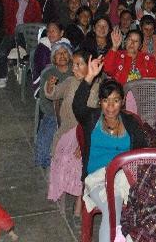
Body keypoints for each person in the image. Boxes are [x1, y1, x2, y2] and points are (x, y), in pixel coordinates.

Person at [73, 56, 151, 242]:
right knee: (112, 208)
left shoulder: (131, 123)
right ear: (100, 102)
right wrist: (89, 77)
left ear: (123, 102)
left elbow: (142, 153)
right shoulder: (92, 119)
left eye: (116, 101)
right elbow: (77, 106)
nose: (110, 106)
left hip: (124, 177)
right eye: (106, 101)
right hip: (97, 178)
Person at [45, 49, 100, 225]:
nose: (74, 68)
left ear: (90, 66)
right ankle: (71, 194)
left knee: (80, 161)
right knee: (66, 157)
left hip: (86, 134)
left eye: (79, 64)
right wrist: (50, 85)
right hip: (67, 132)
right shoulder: (69, 82)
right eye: (73, 64)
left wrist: (81, 144)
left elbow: (94, 121)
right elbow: (52, 94)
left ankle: (79, 203)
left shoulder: (97, 88)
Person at [35, 41, 73, 168]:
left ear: (70, 56)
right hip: (53, 113)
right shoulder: (48, 72)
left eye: (65, 53)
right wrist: (56, 116)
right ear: (53, 58)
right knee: (43, 151)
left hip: (74, 112)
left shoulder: (76, 69)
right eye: (58, 54)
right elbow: (44, 101)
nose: (62, 56)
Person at [32, 22, 69, 97]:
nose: (50, 33)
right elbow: (42, 69)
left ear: (61, 33)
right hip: (43, 81)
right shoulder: (42, 48)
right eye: (48, 31)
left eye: (53, 31)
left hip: (64, 77)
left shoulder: (66, 45)